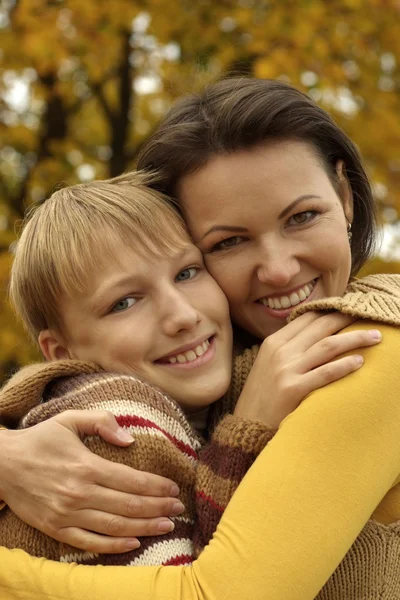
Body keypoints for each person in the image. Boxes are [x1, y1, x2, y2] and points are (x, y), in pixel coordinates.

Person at [1, 77, 400, 599]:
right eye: (230, 241)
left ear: (345, 197)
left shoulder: (369, 343)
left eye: (303, 216)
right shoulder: (168, 398)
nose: (279, 271)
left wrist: (249, 426)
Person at [0, 169, 367, 566]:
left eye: (187, 273)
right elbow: (216, 586)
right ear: (61, 350)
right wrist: (247, 432)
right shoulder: (117, 430)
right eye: (124, 302)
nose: (183, 315)